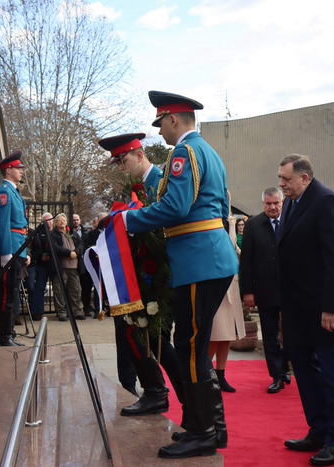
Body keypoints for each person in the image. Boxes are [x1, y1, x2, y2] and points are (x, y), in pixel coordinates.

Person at [123, 91, 238, 459]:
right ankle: (209, 426)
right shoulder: (207, 151)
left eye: (161, 124)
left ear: (173, 119)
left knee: (190, 347)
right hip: (206, 258)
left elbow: (175, 207)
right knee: (194, 345)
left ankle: (203, 432)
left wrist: (128, 219)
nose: (160, 132)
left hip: (198, 261)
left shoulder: (184, 153)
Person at [97, 132, 185, 417]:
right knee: (137, 334)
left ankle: (187, 398)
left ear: (139, 154)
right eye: (118, 164)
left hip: (162, 273)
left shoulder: (161, 181)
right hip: (140, 273)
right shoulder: (135, 187)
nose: (122, 168)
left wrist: (127, 222)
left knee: (158, 339)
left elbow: (167, 220)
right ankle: (155, 391)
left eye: (123, 161)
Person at [277, 154, 334, 466]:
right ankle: (318, 430)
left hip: (324, 310)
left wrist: (331, 308)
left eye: (286, 179)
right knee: (306, 373)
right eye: (280, 178)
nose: (281, 184)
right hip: (297, 309)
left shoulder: (326, 202)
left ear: (304, 177)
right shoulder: (291, 203)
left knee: (331, 374)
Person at [240, 187, 290, 394]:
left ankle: (284, 366)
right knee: (269, 335)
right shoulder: (253, 225)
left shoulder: (291, 221)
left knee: (291, 333)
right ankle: (276, 375)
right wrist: (247, 291)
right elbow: (246, 261)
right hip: (265, 290)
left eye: (276, 203)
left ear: (282, 202)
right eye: (268, 204)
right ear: (263, 204)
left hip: (291, 290)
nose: (273, 207)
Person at [0, 151, 31, 346]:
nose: (21, 171)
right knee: (7, 294)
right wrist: (6, 252)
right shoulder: (4, 192)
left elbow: (21, 226)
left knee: (13, 293)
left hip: (18, 248)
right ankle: (4, 337)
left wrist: (24, 252)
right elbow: (2, 224)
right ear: (8, 170)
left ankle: (10, 333)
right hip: (11, 249)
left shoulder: (14, 192)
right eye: (18, 168)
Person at [208, 215, 246, 393]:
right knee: (216, 334)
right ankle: (205, 373)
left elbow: (234, 248)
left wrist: (231, 224)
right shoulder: (209, 223)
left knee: (228, 335)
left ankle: (221, 374)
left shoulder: (229, 222)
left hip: (232, 284)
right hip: (214, 286)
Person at [50, 213, 85, 320]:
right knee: (59, 291)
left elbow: (81, 245)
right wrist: (69, 253)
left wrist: (76, 252)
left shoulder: (73, 233)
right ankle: (61, 312)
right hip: (60, 267)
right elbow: (54, 247)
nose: (62, 222)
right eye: (60, 220)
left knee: (76, 290)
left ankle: (77, 311)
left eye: (64, 220)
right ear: (55, 222)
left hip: (74, 266)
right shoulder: (53, 234)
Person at [28, 212, 54, 320]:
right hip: (40, 264)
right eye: (47, 220)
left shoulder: (54, 232)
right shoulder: (38, 233)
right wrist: (40, 256)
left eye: (50, 220)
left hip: (52, 264)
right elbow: (35, 248)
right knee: (39, 288)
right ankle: (37, 311)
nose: (49, 222)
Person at [72, 214, 95, 316]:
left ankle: (86, 307)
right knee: (75, 287)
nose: (76, 221)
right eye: (74, 220)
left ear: (80, 220)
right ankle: (76, 309)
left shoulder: (86, 232)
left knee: (87, 286)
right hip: (74, 261)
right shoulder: (68, 232)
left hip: (86, 262)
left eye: (77, 219)